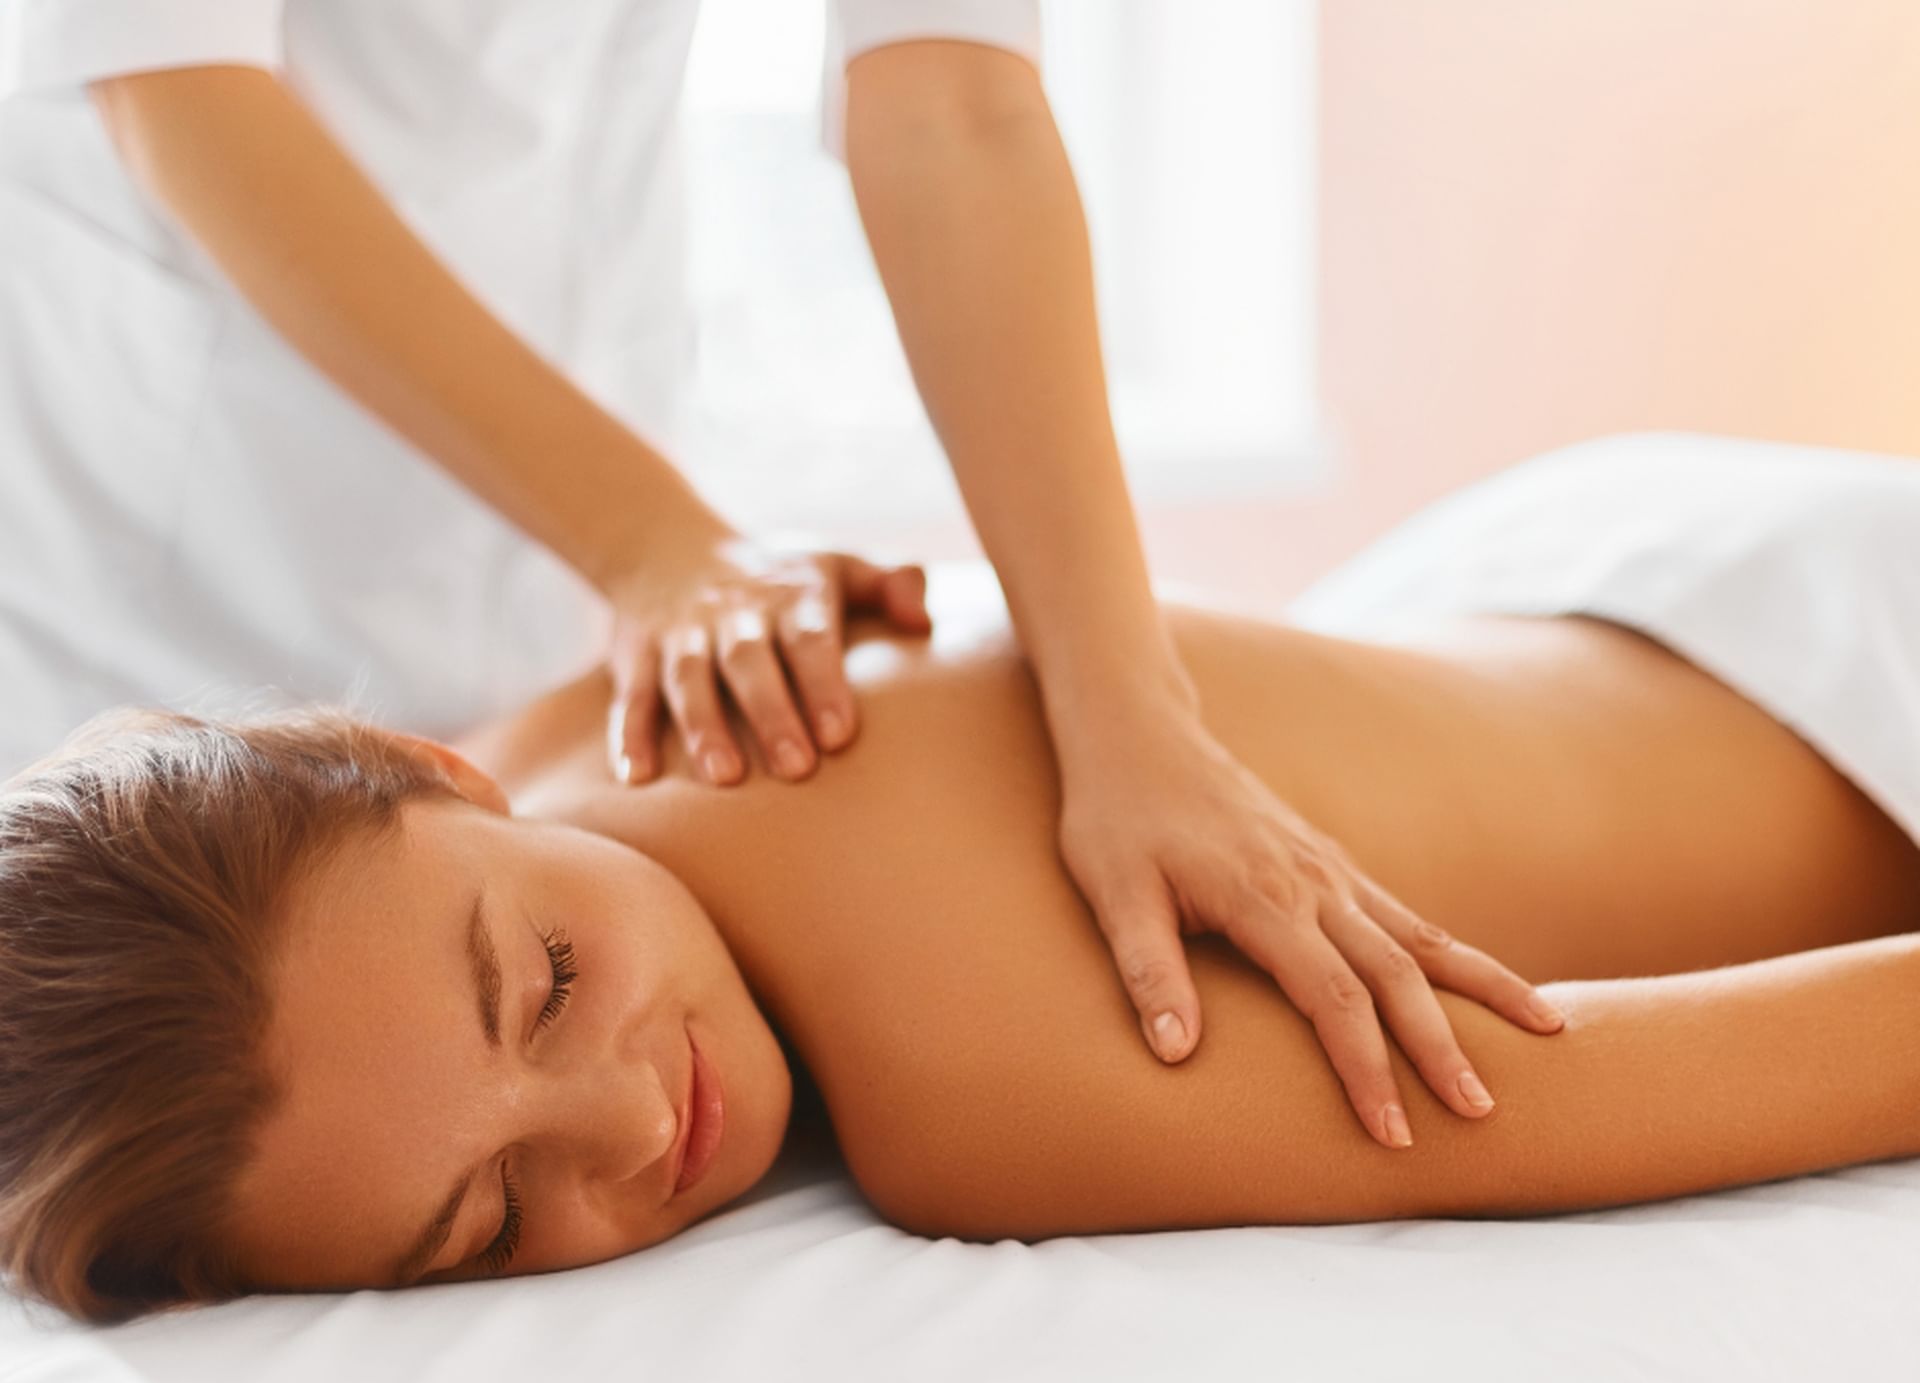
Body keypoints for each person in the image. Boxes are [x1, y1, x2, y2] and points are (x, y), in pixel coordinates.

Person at [0, 0, 1555, 1101]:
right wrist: (653, 539)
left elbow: (953, 102)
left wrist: (1130, 713)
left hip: (550, 499)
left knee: (512, 1022)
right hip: (171, 535)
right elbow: (179, 90)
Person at [6, 432, 1920, 1323]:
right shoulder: (602, 698)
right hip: (1582, 551)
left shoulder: (968, 1086)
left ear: (425, 771)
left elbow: (1649, 1076)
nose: (619, 1126)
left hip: (1847, 707)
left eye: (555, 983)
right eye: (490, 1224)